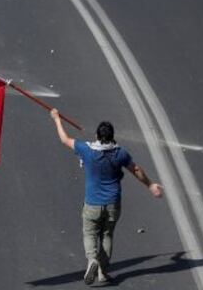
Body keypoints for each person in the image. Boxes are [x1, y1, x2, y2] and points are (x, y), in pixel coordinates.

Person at [49, 109, 163, 286]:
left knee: (89, 233)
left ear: (97, 136)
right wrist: (150, 185)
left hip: (92, 203)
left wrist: (56, 119)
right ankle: (102, 272)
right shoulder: (120, 153)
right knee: (107, 235)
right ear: (112, 137)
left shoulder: (87, 150)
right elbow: (136, 170)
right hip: (112, 204)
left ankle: (92, 259)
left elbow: (65, 139)